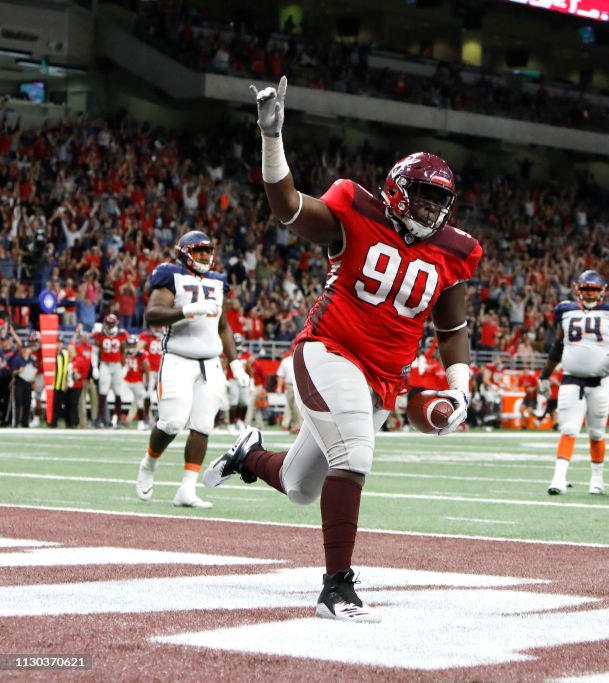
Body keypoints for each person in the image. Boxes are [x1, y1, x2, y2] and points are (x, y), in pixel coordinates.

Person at [203, 76, 481, 622]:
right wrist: (272, 137)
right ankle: (336, 588)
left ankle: (247, 455)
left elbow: (452, 329)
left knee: (299, 486)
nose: (431, 208)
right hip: (329, 350)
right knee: (354, 457)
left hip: (382, 378)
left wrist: (460, 390)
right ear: (397, 189)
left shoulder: (455, 251)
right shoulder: (356, 209)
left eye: (439, 200)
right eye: (423, 195)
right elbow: (286, 207)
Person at [133, 230, 250, 508]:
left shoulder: (218, 282)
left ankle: (187, 489)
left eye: (208, 250)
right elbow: (152, 315)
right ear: (184, 252)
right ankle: (149, 463)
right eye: (199, 250)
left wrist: (235, 363)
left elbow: (223, 326)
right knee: (172, 422)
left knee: (203, 424)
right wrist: (187, 310)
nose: (205, 255)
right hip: (177, 358)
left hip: (211, 363)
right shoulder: (170, 276)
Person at [540, 270, 609, 496]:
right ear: (577, 290)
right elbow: (557, 346)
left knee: (597, 432)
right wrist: (544, 375)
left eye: (593, 289)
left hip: (600, 381)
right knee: (568, 428)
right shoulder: (565, 310)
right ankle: (558, 478)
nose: (589, 294)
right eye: (586, 289)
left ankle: (597, 480)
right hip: (571, 378)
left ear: (602, 291)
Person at [92, 313, 128, 428]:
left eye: (111, 323)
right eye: (108, 323)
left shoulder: (122, 334)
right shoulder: (99, 335)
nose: (110, 325)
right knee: (103, 391)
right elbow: (95, 352)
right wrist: (95, 367)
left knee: (118, 392)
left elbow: (124, 352)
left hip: (117, 365)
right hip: (105, 365)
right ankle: (100, 418)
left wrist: (125, 366)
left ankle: (117, 418)